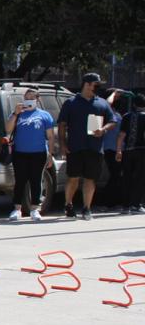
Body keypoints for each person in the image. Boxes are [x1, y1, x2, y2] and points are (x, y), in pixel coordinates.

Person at [57, 73, 114, 220]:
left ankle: (86, 208)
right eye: (96, 84)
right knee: (73, 178)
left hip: (95, 148)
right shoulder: (71, 102)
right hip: (75, 147)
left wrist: (104, 129)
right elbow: (62, 124)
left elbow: (112, 121)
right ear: (87, 84)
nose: (98, 87)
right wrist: (62, 144)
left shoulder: (102, 103)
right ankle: (68, 205)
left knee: (90, 179)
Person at [5, 88, 55, 221]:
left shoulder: (45, 115)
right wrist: (15, 114)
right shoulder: (18, 114)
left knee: (36, 180)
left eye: (32, 97)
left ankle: (35, 209)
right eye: (27, 97)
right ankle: (17, 209)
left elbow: (50, 136)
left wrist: (50, 153)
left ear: (37, 99)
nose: (29, 100)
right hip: (20, 152)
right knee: (20, 181)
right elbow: (8, 129)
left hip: (39, 153)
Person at [117, 93, 145, 214]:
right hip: (142, 151)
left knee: (126, 178)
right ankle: (136, 204)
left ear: (133, 104)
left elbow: (121, 135)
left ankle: (125, 206)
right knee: (139, 179)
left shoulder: (127, 116)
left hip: (128, 151)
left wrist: (118, 150)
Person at [100, 91, 128, 210]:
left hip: (116, 149)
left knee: (116, 176)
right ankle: (108, 202)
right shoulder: (110, 116)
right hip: (112, 149)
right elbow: (107, 103)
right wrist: (114, 93)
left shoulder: (119, 116)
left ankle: (112, 202)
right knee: (115, 175)